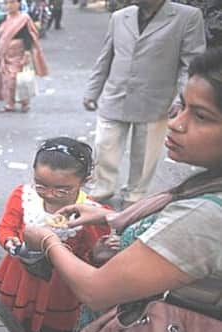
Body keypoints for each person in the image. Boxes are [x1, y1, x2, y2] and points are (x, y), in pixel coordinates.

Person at [27, 48, 222, 332]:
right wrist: (108, 216)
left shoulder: (207, 217)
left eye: (202, 116)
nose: (176, 121)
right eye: (183, 105)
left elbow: (95, 290)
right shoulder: (210, 184)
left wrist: (47, 240)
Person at [0, 137, 111, 332]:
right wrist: (10, 241)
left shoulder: (90, 212)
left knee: (53, 330)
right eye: (41, 185)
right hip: (23, 275)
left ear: (84, 181)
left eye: (62, 189)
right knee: (21, 322)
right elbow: (6, 227)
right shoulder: (23, 197)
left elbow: (93, 253)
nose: (50, 195)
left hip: (60, 285)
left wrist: (97, 252)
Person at [83, 0, 205, 207]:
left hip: (156, 99)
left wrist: (182, 99)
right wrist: (92, 91)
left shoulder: (187, 17)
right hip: (115, 94)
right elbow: (105, 57)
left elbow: (190, 63)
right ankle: (102, 188)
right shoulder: (120, 17)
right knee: (104, 145)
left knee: (145, 153)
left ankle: (135, 194)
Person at [0, 0, 48, 113]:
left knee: (17, 78)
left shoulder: (23, 19)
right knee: (6, 78)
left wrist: (27, 52)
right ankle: (9, 103)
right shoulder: (2, 19)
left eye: (12, 2)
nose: (9, 5)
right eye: (7, 3)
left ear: (18, 4)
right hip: (4, 52)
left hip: (18, 52)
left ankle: (24, 102)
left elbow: (28, 36)